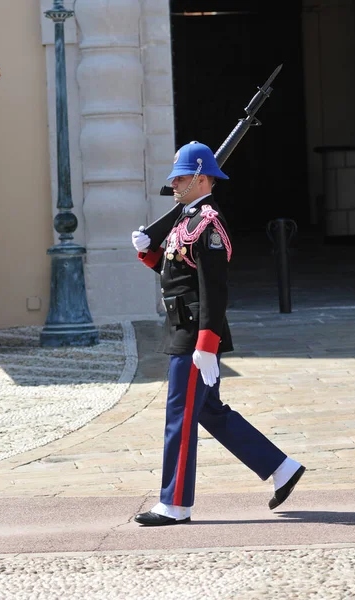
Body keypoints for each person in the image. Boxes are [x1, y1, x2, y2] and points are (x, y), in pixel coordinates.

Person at [131, 141, 305, 526]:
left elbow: (213, 288)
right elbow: (177, 274)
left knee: (180, 413)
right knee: (208, 410)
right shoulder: (184, 220)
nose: (173, 184)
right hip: (183, 329)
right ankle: (281, 467)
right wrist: (148, 253)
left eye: (180, 177)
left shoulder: (207, 223)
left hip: (193, 336)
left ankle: (174, 504)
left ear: (201, 177)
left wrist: (206, 345)